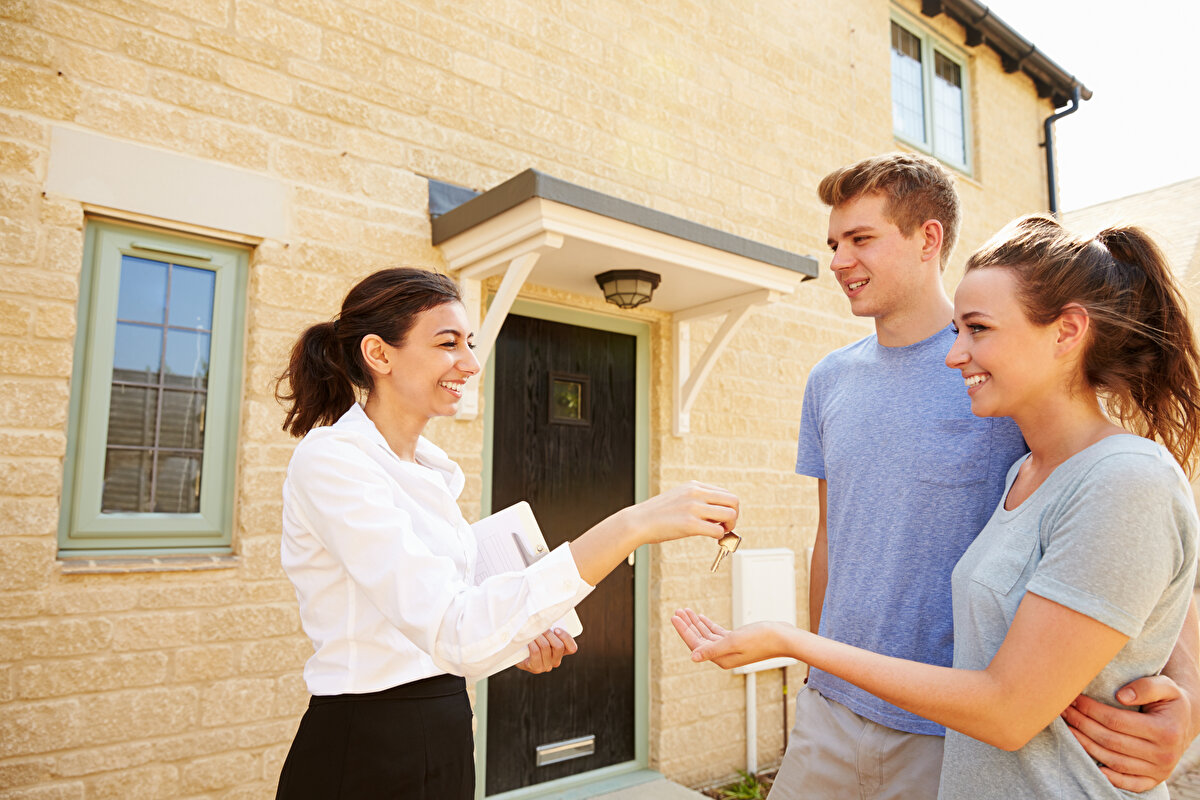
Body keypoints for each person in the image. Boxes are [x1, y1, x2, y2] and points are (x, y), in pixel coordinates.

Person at [675, 213, 1200, 798]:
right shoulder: (1023, 474)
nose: (956, 357)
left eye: (977, 329)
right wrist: (815, 674)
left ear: (1067, 331)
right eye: (957, 331)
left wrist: (1192, 694)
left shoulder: (1125, 478)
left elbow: (1011, 706)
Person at [272, 267, 739, 799]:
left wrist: (516, 641)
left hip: (443, 723)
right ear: (379, 354)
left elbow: (456, 630)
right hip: (368, 743)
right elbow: (455, 631)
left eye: (469, 344)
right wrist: (631, 525)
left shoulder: (431, 470)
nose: (470, 363)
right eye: (448, 343)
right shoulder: (333, 461)